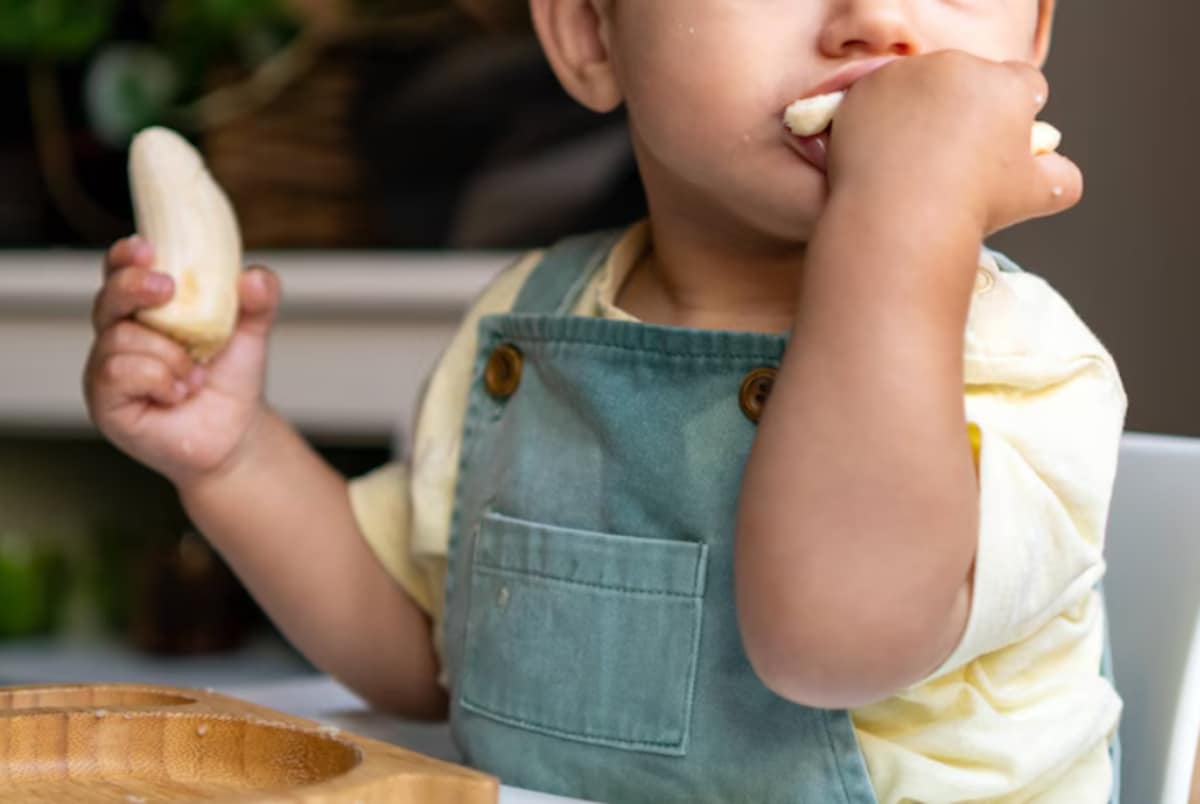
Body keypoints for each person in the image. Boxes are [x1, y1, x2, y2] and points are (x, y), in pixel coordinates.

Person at [83, 0, 1126, 801]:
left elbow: (832, 639)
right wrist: (232, 458)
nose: (875, 21)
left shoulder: (1012, 360)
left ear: (1028, 41)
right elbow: (427, 652)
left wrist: (904, 206)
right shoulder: (532, 321)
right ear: (591, 32)